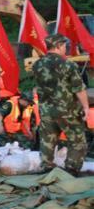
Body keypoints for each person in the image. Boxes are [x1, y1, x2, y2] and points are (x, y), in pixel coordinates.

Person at [32, 34, 89, 175]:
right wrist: (86, 107)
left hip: (46, 111)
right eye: (64, 46)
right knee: (77, 140)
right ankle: (71, 170)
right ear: (58, 46)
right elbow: (79, 89)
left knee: (47, 141)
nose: (65, 48)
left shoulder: (37, 65)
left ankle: (47, 169)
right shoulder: (68, 64)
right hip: (67, 110)